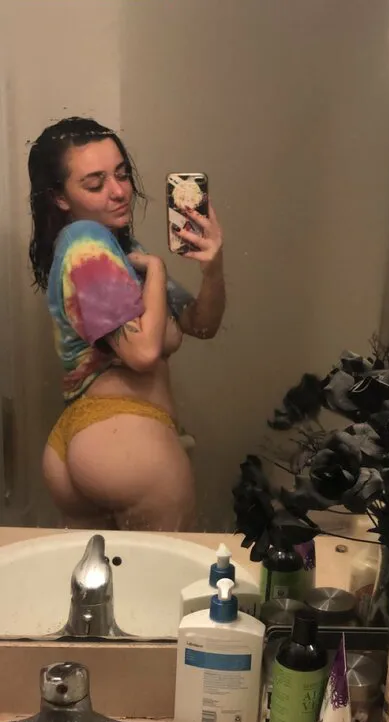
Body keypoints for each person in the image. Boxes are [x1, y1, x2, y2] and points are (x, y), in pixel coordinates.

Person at [28, 116, 225, 530]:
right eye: (95, 184)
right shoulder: (86, 241)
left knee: (100, 575)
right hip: (125, 437)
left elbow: (200, 324)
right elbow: (143, 353)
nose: (119, 191)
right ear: (60, 198)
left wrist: (212, 266)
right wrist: (157, 268)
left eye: (121, 174)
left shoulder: (120, 251)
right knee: (169, 570)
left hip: (91, 437)